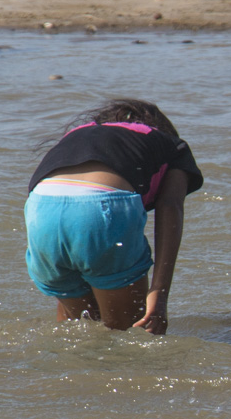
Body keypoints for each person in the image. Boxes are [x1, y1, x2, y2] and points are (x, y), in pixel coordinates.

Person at [26, 98, 202, 335]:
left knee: (78, 335)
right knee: (130, 339)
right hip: (101, 209)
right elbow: (170, 206)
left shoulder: (77, 135)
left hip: (40, 210)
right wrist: (159, 293)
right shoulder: (171, 145)